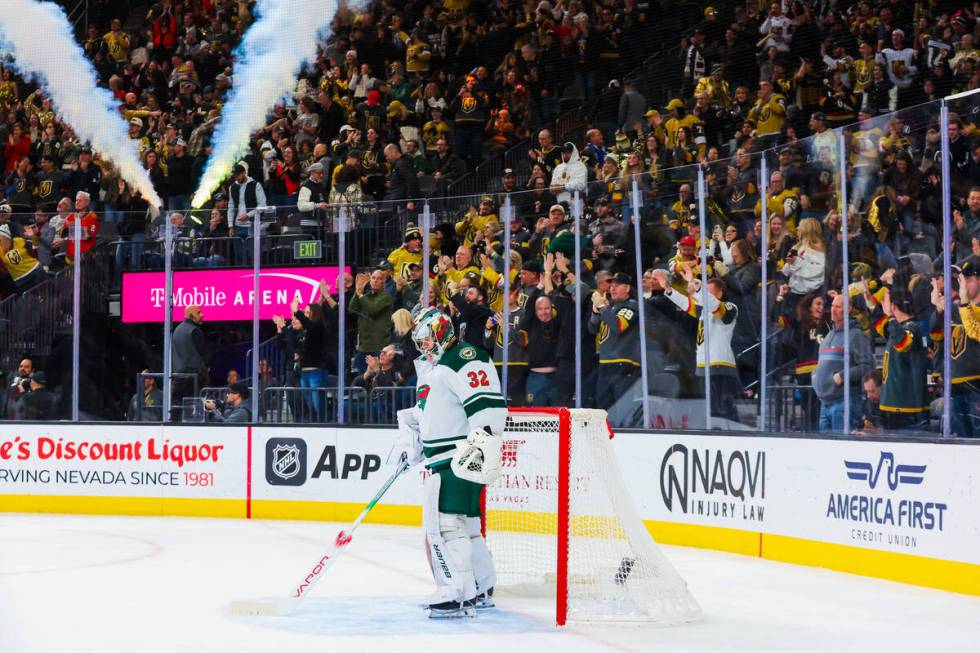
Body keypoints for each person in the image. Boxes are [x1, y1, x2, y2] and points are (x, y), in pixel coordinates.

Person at [388, 308, 505, 618]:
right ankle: (481, 586)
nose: (424, 347)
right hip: (447, 457)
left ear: (442, 331)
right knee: (468, 524)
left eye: (427, 340)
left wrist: (482, 448)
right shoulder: (436, 369)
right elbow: (431, 411)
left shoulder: (464, 357)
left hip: (459, 457)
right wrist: (414, 441)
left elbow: (488, 407)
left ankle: (456, 591)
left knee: (446, 525)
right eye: (420, 342)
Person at [660, 266, 741, 423]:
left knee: (721, 408)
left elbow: (715, 306)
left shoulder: (730, 307)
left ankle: (730, 434)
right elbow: (687, 304)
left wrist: (694, 284)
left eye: (708, 292)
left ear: (720, 293)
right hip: (703, 364)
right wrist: (669, 290)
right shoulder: (705, 311)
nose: (704, 295)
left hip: (719, 365)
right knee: (708, 408)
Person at [813, 294, 875, 433]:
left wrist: (842, 376)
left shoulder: (856, 335)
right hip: (825, 403)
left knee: (842, 448)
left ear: (847, 310)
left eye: (838, 307)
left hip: (844, 403)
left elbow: (867, 366)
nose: (833, 310)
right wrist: (815, 376)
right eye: (833, 306)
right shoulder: (828, 336)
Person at [588, 272, 641, 411]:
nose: (612, 288)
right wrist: (595, 312)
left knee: (623, 409)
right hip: (605, 363)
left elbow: (619, 326)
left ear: (628, 288)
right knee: (603, 408)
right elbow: (592, 329)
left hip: (623, 364)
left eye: (617, 285)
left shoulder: (631, 305)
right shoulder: (610, 307)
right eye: (611, 285)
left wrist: (602, 308)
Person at [171, 305, 208, 419]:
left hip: (178, 376)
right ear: (190, 315)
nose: (202, 315)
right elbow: (204, 353)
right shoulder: (194, 330)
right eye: (198, 312)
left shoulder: (177, 330)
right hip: (194, 377)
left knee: (177, 408)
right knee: (193, 409)